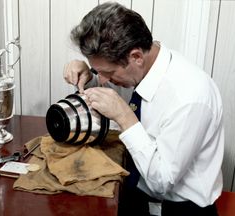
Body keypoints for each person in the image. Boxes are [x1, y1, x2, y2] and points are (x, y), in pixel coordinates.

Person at [63, 2, 224, 216]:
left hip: (179, 208)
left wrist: (124, 117)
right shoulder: (141, 69)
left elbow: (161, 182)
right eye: (98, 70)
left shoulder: (190, 97)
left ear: (136, 57)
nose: (105, 80)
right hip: (133, 192)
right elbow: (111, 92)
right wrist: (90, 76)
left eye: (108, 72)